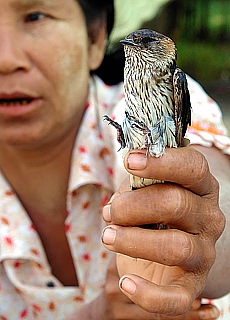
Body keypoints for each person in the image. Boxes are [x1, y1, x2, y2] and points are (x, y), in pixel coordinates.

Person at [0, 0, 228, 319]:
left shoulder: (134, 95)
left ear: (95, 39)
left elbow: (215, 183)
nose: (6, 59)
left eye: (35, 16)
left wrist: (197, 224)